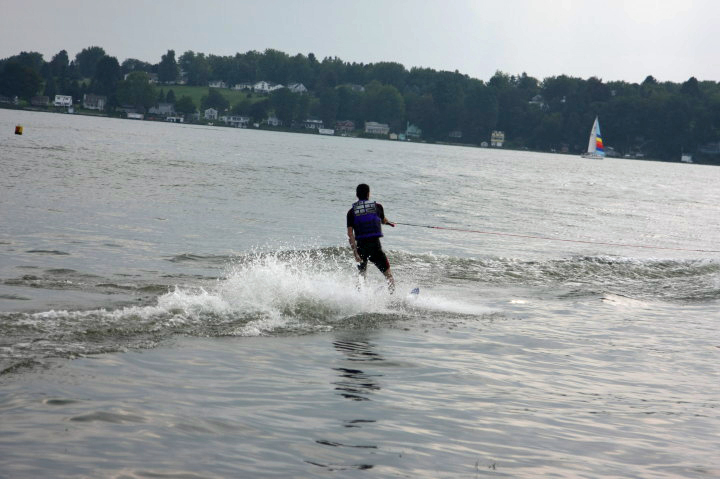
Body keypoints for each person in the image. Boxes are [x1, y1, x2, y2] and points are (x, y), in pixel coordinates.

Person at [346, 183, 395, 292]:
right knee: (388, 276)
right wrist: (388, 223)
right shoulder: (378, 207)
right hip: (375, 246)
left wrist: (355, 253)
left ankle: (358, 298)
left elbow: (350, 234)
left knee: (361, 276)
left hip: (361, 247)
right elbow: (382, 220)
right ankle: (392, 298)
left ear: (356, 195)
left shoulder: (351, 212)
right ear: (368, 194)